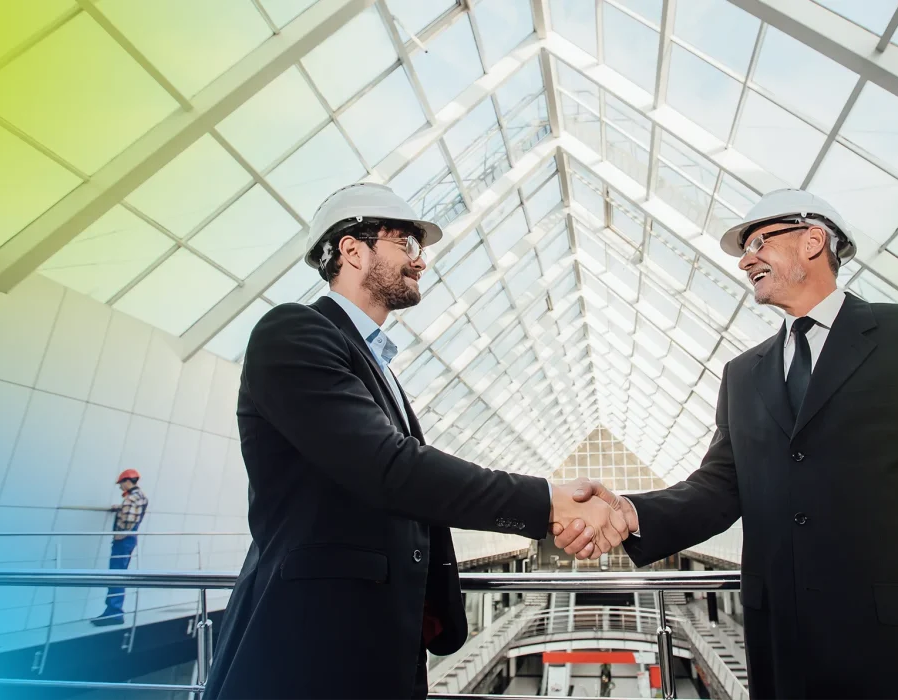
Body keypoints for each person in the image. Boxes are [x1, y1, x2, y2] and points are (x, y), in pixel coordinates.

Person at [556, 189, 898, 700]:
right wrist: (629, 511)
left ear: (814, 241)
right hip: (787, 651)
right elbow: (719, 486)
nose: (746, 260)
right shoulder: (743, 373)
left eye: (758, 242)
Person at [203, 183, 627, 700]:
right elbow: (391, 469)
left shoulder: (373, 366)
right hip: (311, 648)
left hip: (376, 648)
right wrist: (546, 502)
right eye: (406, 243)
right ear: (352, 251)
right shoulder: (292, 333)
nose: (420, 261)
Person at [91, 469, 148, 626]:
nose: (120, 487)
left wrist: (119, 536)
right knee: (118, 574)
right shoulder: (141, 497)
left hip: (123, 541)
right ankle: (113, 610)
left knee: (115, 575)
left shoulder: (131, 499)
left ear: (128, 481)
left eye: (121, 484)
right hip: (129, 540)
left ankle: (114, 612)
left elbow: (129, 520)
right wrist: (119, 508)